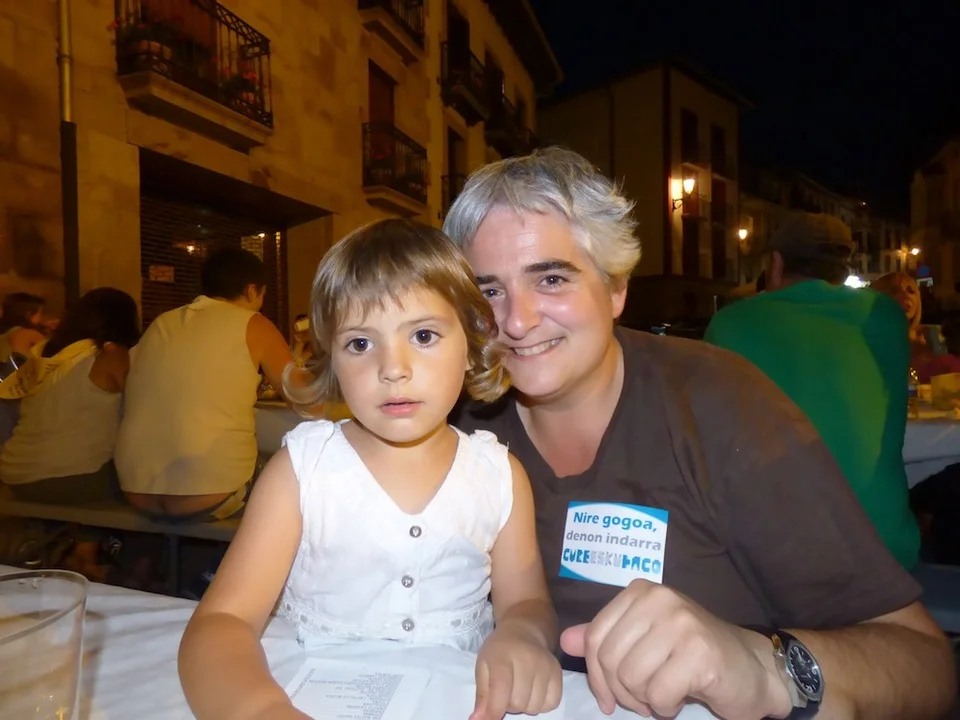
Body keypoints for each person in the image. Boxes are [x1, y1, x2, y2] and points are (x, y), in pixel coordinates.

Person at [444, 147, 955, 719]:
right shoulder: (448, 421)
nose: (517, 321)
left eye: (553, 278)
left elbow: (926, 665)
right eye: (489, 291)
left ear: (616, 288)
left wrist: (761, 665)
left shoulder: (721, 407)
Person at [178, 220, 561, 720]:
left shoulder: (499, 476)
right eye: (360, 344)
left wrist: (523, 635)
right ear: (332, 361)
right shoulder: (304, 471)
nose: (392, 368)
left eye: (423, 335)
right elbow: (222, 621)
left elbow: (527, 604)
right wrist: (259, 709)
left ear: (471, 343)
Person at [704, 212, 920, 570]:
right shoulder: (886, 317)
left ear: (775, 264)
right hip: (884, 556)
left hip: (770, 559)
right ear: (842, 270)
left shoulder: (730, 323)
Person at [116, 247, 293, 521]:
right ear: (251, 290)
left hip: (137, 492)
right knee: (292, 470)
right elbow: (307, 399)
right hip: (212, 497)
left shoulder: (160, 323)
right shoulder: (254, 323)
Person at [0, 287, 140, 578]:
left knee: (91, 457)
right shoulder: (112, 355)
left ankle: (82, 553)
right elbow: (143, 411)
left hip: (17, 475)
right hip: (73, 481)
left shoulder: (45, 354)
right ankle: (106, 561)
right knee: (136, 476)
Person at [0, 292, 48, 364]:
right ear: (29, 315)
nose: (42, 318)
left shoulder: (5, 334)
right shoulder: (29, 334)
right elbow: (53, 357)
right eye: (40, 313)